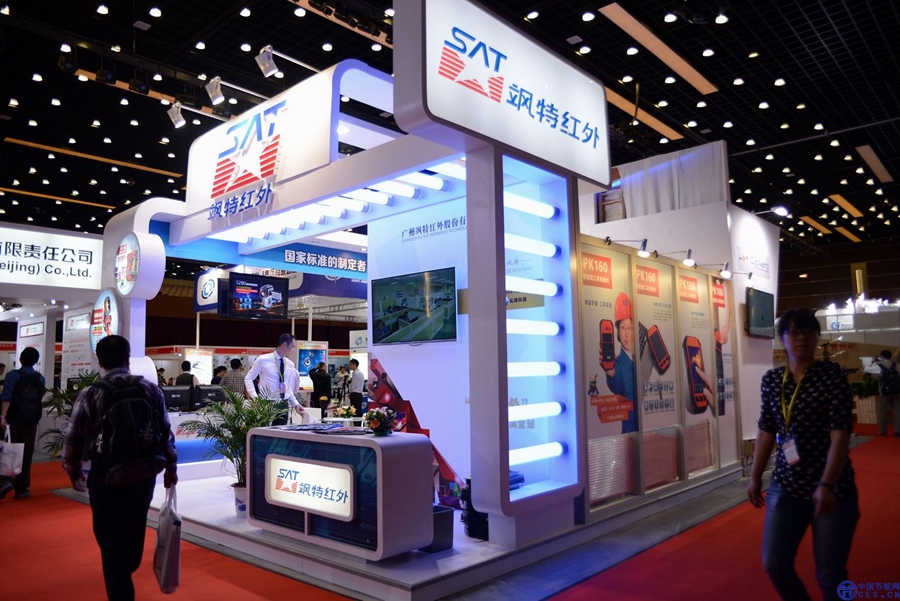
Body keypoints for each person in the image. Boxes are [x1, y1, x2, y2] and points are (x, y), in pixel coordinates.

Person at [747, 308, 858, 601]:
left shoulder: (831, 376)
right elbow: (767, 429)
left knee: (830, 574)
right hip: (786, 485)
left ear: (816, 338)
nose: (801, 338)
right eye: (794, 332)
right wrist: (755, 476)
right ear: (782, 338)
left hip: (833, 488)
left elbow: (840, 434)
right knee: (774, 563)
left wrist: (827, 484)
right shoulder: (772, 380)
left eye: (808, 332)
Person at [63, 334, 177, 601]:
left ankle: (121, 585)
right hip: (144, 473)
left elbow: (73, 438)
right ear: (128, 359)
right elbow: (165, 432)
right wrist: (171, 468)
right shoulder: (150, 389)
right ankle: (125, 572)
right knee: (135, 527)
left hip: (107, 475)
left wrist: (74, 471)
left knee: (110, 537)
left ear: (100, 361)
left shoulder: (91, 393)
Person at [0, 347, 46, 500]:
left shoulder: (13, 375)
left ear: (20, 359)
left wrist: (3, 416)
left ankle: (5, 481)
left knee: (7, 450)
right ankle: (22, 488)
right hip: (31, 422)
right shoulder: (40, 378)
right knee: (26, 453)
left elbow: (7, 397)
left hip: (13, 420)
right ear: (36, 361)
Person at [244, 333, 305, 425]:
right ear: (285, 344)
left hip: (283, 404)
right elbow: (248, 378)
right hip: (267, 403)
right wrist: (254, 397)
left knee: (281, 432)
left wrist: (295, 404)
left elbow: (288, 388)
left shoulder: (290, 364)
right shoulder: (263, 359)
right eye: (293, 346)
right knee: (266, 431)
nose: (294, 349)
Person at [603, 292, 638, 434]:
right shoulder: (618, 364)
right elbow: (616, 383)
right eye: (623, 328)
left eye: (630, 328)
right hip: (630, 436)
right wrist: (610, 373)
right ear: (617, 332)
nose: (627, 334)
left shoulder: (641, 361)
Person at [863, 350, 900, 436]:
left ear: (882, 357)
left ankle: (883, 432)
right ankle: (898, 431)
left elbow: (866, 369)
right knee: (897, 412)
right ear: (891, 357)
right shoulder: (897, 365)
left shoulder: (879, 366)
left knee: (883, 411)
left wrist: (872, 361)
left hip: (884, 392)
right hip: (897, 391)